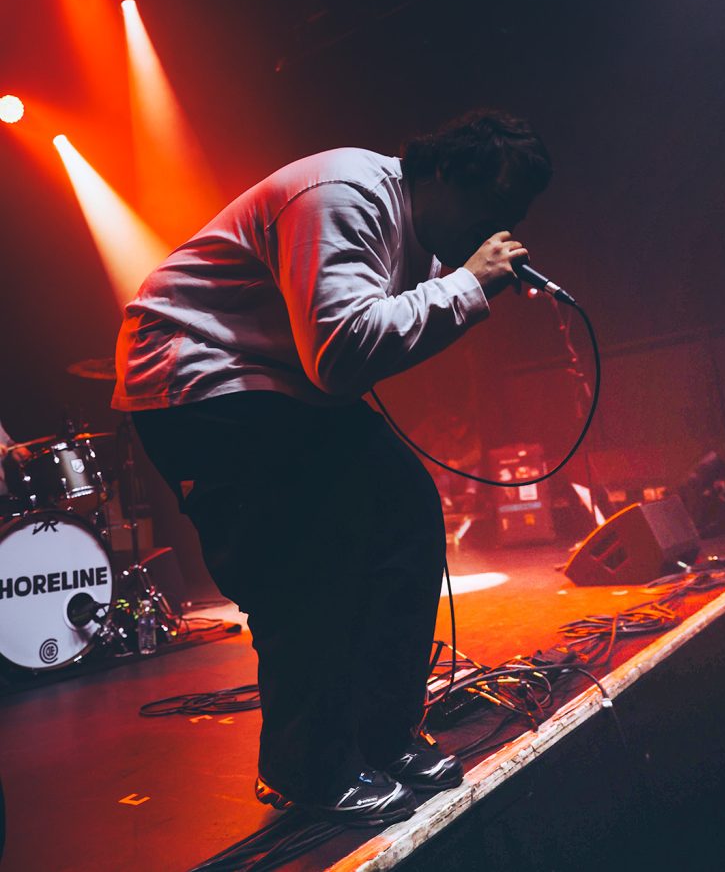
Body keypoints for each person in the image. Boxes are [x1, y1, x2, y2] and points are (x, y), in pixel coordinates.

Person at [112, 109, 552, 827]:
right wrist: (467, 287)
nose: (493, 230)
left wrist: (457, 285)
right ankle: (306, 767)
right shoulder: (343, 193)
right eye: (489, 209)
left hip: (276, 384)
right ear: (440, 175)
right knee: (304, 557)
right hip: (195, 376)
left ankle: (381, 735)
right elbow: (341, 353)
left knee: (403, 512)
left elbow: (353, 351)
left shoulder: (414, 236)